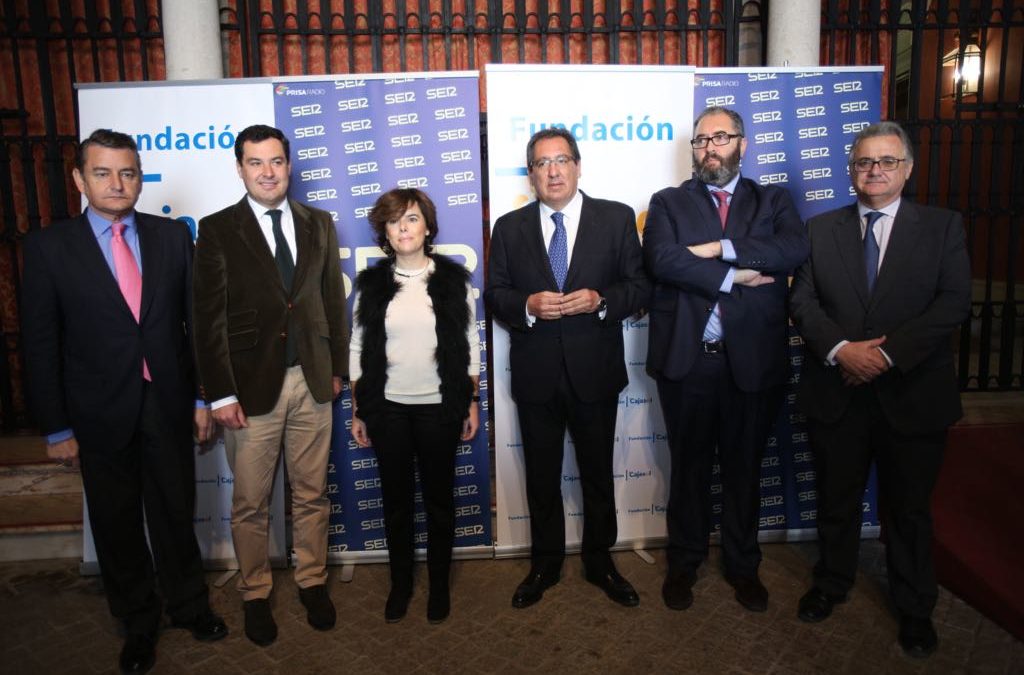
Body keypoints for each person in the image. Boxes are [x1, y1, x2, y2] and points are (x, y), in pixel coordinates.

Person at [21, 129, 227, 674]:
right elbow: (40, 343)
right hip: (96, 412)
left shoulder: (171, 238)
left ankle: (189, 606)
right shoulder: (48, 248)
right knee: (115, 524)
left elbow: (194, 325)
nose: (118, 183)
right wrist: (56, 429)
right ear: (79, 179)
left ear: (140, 176)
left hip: (168, 403)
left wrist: (202, 396)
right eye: (103, 172)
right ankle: (138, 622)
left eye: (128, 172)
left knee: (175, 513)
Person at [789, 121, 970, 657]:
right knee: (837, 501)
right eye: (865, 162)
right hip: (837, 389)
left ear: (907, 169)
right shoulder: (820, 229)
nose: (874, 171)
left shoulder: (942, 228)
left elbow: (952, 303)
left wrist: (885, 356)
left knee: (909, 510)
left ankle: (915, 607)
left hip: (912, 394)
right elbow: (803, 303)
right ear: (851, 171)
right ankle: (832, 582)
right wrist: (844, 351)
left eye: (887, 162)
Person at [642, 106, 809, 613]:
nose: (708, 148)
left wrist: (718, 246)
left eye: (719, 137)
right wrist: (734, 274)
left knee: (743, 471)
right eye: (700, 141)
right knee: (688, 472)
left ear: (742, 143)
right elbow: (663, 260)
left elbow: (790, 250)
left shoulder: (772, 199)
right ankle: (684, 564)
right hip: (689, 363)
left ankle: (743, 567)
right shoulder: (668, 202)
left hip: (752, 362)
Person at [192, 124, 348, 646]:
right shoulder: (217, 230)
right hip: (250, 388)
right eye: (255, 162)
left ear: (288, 165)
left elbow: (332, 303)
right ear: (240, 169)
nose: (267, 172)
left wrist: (336, 367)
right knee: (251, 503)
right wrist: (220, 393)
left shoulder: (319, 223)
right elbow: (206, 318)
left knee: (311, 493)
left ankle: (311, 580)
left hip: (312, 380)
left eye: (276, 161)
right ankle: (256, 592)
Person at [485, 127, 650, 609]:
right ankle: (545, 564)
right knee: (542, 477)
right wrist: (527, 305)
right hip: (537, 376)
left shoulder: (615, 218)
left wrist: (602, 301)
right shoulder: (509, 227)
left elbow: (639, 287)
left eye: (561, 160)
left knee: (598, 475)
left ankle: (601, 562)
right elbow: (495, 295)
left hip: (594, 372)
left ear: (578, 166)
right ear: (531, 174)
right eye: (541, 163)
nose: (552, 171)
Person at [348, 188, 480, 624]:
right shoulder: (371, 285)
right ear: (384, 232)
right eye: (393, 221)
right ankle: (401, 584)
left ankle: (439, 585)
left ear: (427, 226)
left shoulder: (452, 281)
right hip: (388, 410)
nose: (402, 229)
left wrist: (472, 401)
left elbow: (470, 345)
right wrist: (358, 410)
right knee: (397, 502)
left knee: (440, 502)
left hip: (440, 408)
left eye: (410, 219)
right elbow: (358, 347)